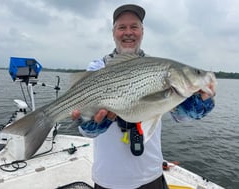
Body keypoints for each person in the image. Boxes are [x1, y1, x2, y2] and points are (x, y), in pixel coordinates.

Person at [71, 4, 215, 189]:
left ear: (142, 31)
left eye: (134, 27)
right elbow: (86, 131)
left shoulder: (157, 68)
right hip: (108, 178)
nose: (128, 32)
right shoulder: (97, 68)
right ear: (113, 32)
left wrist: (201, 103)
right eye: (122, 27)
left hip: (150, 175)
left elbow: (182, 116)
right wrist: (91, 124)